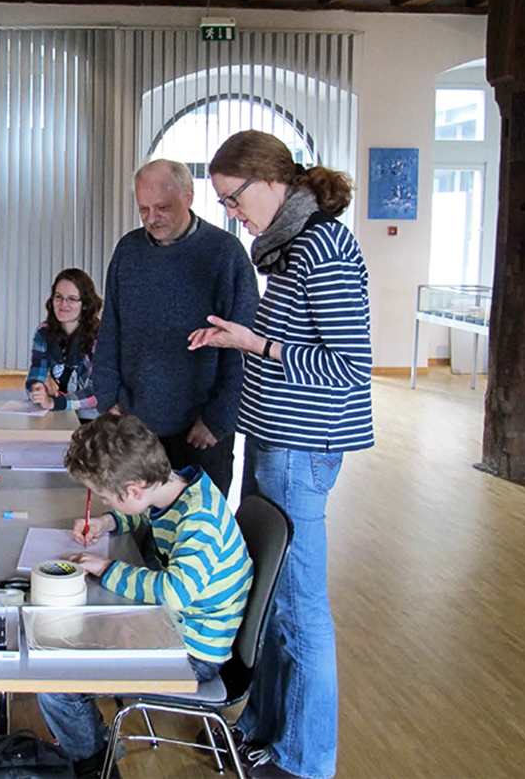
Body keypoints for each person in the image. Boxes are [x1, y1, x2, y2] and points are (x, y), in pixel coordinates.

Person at [187, 130, 372, 779]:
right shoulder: (289, 249)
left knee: (298, 612)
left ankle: (306, 762)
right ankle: (264, 729)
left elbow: (349, 368)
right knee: (267, 600)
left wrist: (257, 346)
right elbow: (297, 342)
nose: (231, 214)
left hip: (301, 447)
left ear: (270, 180)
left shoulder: (324, 246)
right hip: (272, 438)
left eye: (233, 198)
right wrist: (241, 339)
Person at [37, 413, 254, 779]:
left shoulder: (199, 522)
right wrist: (108, 521)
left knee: (57, 678)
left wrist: (108, 569)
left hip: (193, 653)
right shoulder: (181, 489)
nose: (105, 502)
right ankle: (96, 743)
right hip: (180, 629)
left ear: (134, 489)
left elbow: (173, 593)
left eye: (107, 498)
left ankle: (95, 766)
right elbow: (147, 515)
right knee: (69, 639)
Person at [92, 159, 259, 498]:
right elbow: (111, 329)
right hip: (136, 422)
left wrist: (218, 419)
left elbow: (244, 349)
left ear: (189, 195)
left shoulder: (225, 254)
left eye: (162, 207)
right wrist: (108, 399)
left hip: (201, 427)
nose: (152, 218)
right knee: (140, 528)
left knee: (199, 528)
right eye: (143, 209)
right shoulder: (129, 250)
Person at [26, 268, 102, 421]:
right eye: (58, 297)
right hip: (61, 413)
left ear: (85, 304)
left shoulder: (100, 337)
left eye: (72, 299)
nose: (63, 304)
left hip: (95, 420)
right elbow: (35, 375)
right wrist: (38, 389)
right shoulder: (43, 332)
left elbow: (97, 394)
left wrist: (55, 403)